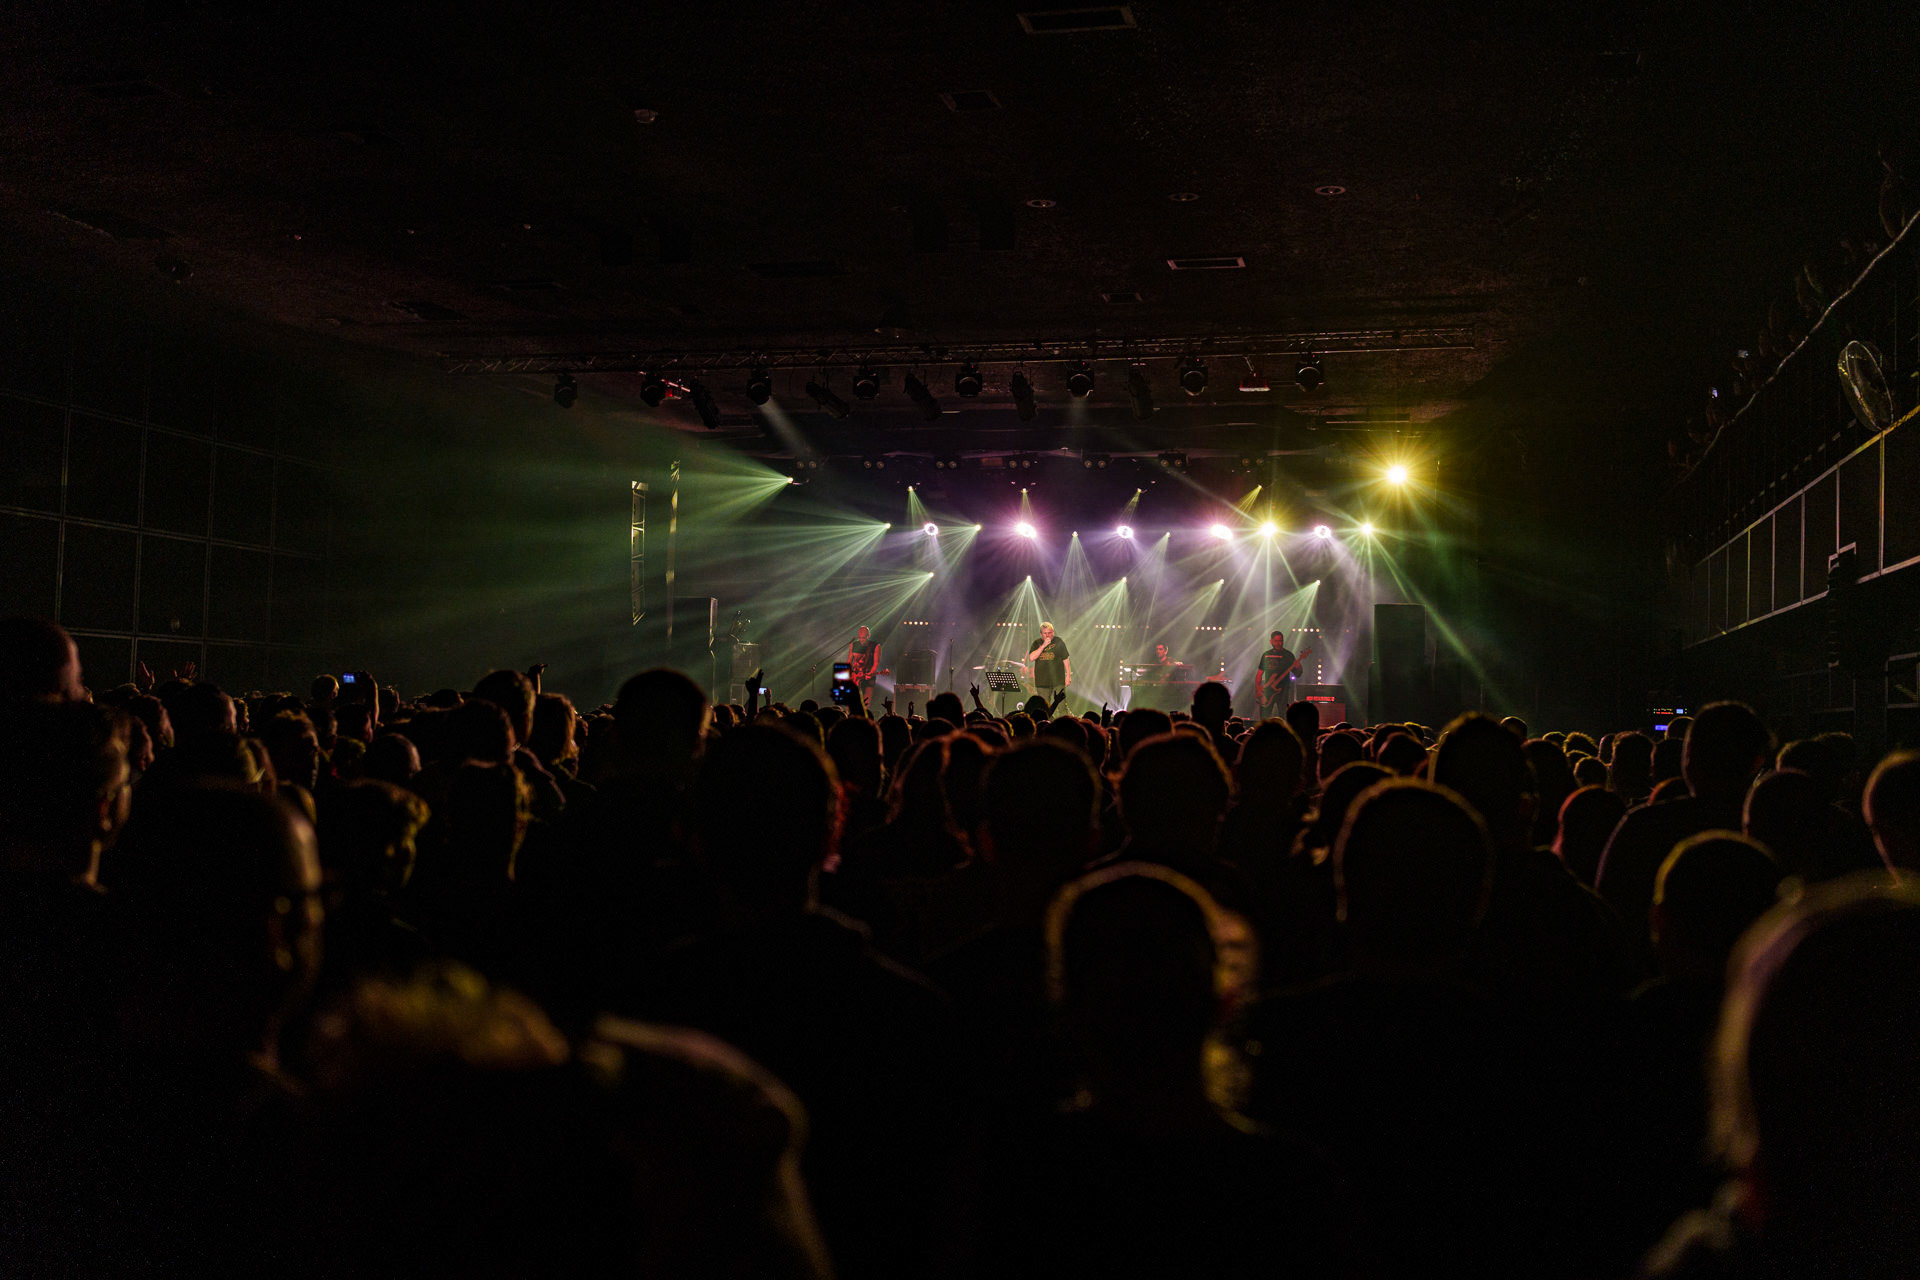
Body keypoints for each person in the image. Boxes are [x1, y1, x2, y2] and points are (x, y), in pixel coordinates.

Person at [1255, 630, 1302, 713]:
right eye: (1276, 641)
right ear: (1271, 641)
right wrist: (1258, 689)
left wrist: (1299, 666)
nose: (1278, 643)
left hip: (1283, 691)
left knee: (1283, 714)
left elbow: (1298, 674)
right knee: (1265, 714)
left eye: (1280, 641)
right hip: (1268, 691)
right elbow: (1259, 674)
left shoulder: (1288, 655)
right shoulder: (1266, 655)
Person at [1026, 621, 1070, 704]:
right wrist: (1043, 646)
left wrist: (1068, 676)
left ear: (1053, 632)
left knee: (1061, 706)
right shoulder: (1036, 643)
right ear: (1041, 633)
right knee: (1044, 706)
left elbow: (1066, 659)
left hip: (1058, 680)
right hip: (1042, 681)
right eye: (1045, 633)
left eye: (1049, 633)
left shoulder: (1058, 641)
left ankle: (1063, 717)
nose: (1047, 635)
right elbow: (1031, 658)